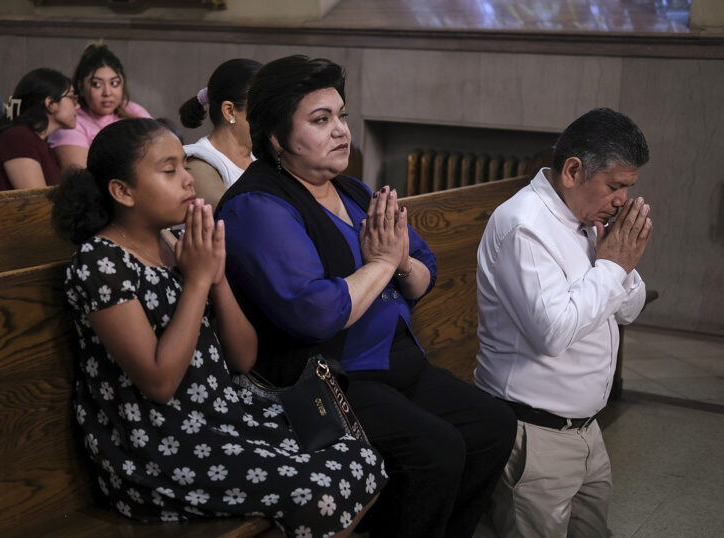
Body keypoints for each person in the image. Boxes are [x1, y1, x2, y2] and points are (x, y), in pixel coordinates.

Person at [216, 55, 516, 538]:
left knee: (493, 426)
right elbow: (314, 313)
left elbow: (424, 269)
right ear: (274, 138)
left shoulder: (352, 190)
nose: (340, 131)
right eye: (320, 120)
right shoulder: (258, 205)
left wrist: (398, 263)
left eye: (341, 116)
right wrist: (381, 264)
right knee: (436, 450)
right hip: (327, 384)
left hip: (396, 366)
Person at [50, 117, 384, 536]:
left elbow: (243, 359)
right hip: (157, 446)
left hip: (221, 416)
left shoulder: (176, 243)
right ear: (123, 191)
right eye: (169, 170)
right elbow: (159, 383)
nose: (188, 180)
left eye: (184, 167)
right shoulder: (100, 263)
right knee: (324, 487)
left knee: (358, 458)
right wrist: (196, 282)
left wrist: (218, 278)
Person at [474, 107, 653, 537]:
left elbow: (629, 308)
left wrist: (619, 265)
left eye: (628, 189)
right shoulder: (525, 227)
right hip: (535, 435)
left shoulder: (589, 219)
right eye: (615, 186)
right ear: (572, 170)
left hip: (588, 431)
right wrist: (612, 268)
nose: (621, 201)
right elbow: (553, 333)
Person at [0, 68, 77, 193]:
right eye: (72, 98)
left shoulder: (42, 142)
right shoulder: (18, 137)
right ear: (50, 103)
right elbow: (37, 200)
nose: (77, 106)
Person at [48, 42, 151, 171]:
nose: (107, 93)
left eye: (114, 83)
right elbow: (81, 180)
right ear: (80, 86)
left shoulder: (132, 110)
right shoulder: (71, 123)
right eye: (97, 84)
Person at [180, 58, 261, 207]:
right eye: (262, 109)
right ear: (229, 111)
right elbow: (236, 214)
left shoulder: (261, 157)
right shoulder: (198, 160)